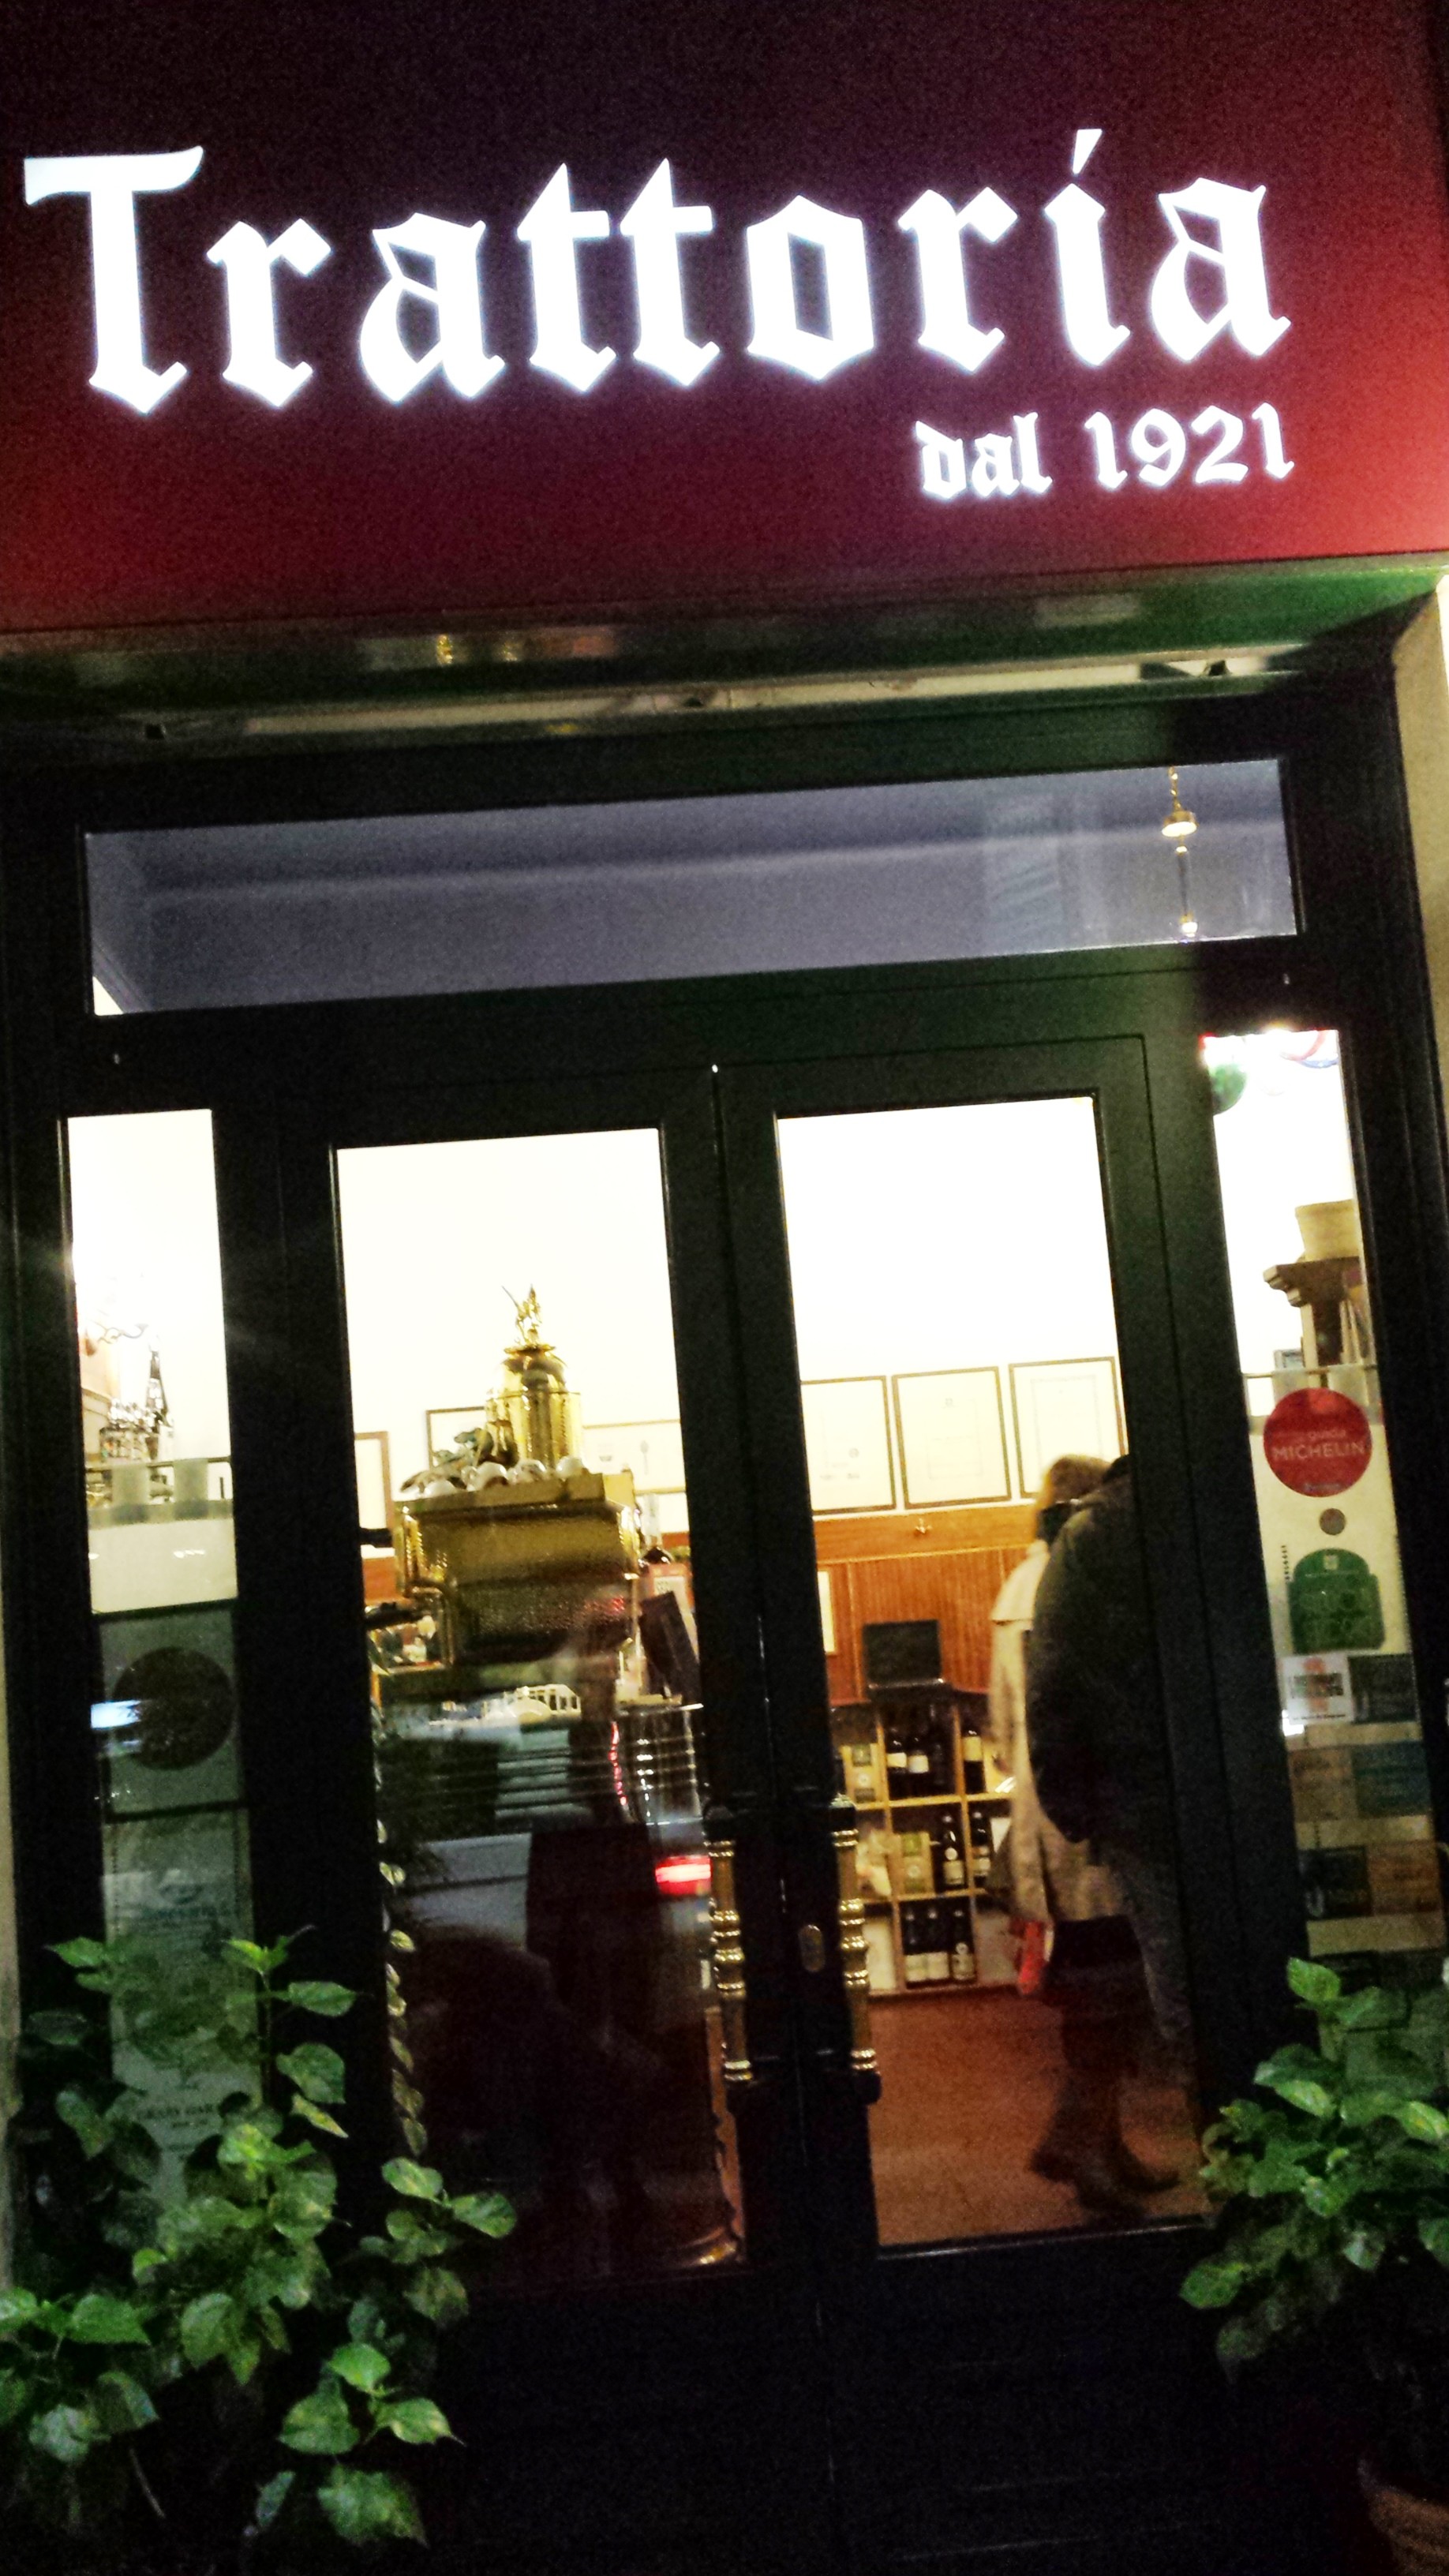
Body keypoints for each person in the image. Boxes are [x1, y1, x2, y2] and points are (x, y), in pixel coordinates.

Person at [990, 1455, 1171, 2219]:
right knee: (1111, 1991)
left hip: (1048, 1810)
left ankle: (1101, 2142)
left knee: (1100, 1995)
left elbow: (1005, 1726)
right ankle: (1078, 2145)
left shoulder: (1017, 1589)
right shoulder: (1083, 1576)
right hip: (1089, 1814)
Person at [1026, 1455, 1196, 2091]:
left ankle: (1220, 2127)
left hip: (1134, 1797)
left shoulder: (1092, 1535)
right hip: (1237, 1789)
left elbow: (1053, 1679)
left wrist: (1073, 1807)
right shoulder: (1213, 1500)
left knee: (1176, 1977)